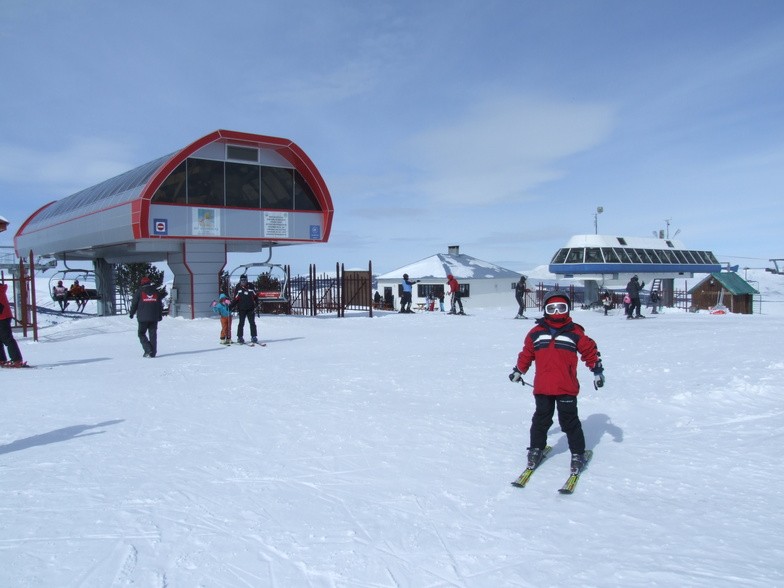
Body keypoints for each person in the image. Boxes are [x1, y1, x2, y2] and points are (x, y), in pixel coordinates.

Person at [508, 290, 605, 474]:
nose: (557, 312)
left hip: (566, 386)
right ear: (545, 310)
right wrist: (519, 371)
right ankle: (536, 449)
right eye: (552, 308)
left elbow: (590, 352)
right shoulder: (536, 332)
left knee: (569, 421)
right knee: (541, 420)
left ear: (568, 309)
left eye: (561, 307)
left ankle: (577, 453)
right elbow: (527, 353)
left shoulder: (575, 332)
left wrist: (597, 371)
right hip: (543, 386)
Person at [129, 276, 164, 357]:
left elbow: (134, 303)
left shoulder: (139, 292)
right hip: (154, 317)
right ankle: (153, 353)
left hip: (142, 318)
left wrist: (132, 313)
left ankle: (148, 349)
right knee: (153, 335)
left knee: (141, 333)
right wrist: (159, 315)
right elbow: (159, 305)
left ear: (142, 283)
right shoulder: (156, 292)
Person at [0, 281, 26, 367]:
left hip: (3, 317)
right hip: (3, 316)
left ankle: (16, 360)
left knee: (7, 339)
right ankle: (2, 359)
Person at [232, 274, 259, 344]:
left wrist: (257, 304)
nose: (243, 281)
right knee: (241, 323)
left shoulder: (251, 286)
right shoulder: (238, 287)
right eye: (242, 280)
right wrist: (230, 307)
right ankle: (240, 337)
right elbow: (235, 299)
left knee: (252, 323)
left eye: (244, 280)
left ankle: (254, 336)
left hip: (250, 308)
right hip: (242, 309)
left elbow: (255, 296)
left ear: (247, 280)